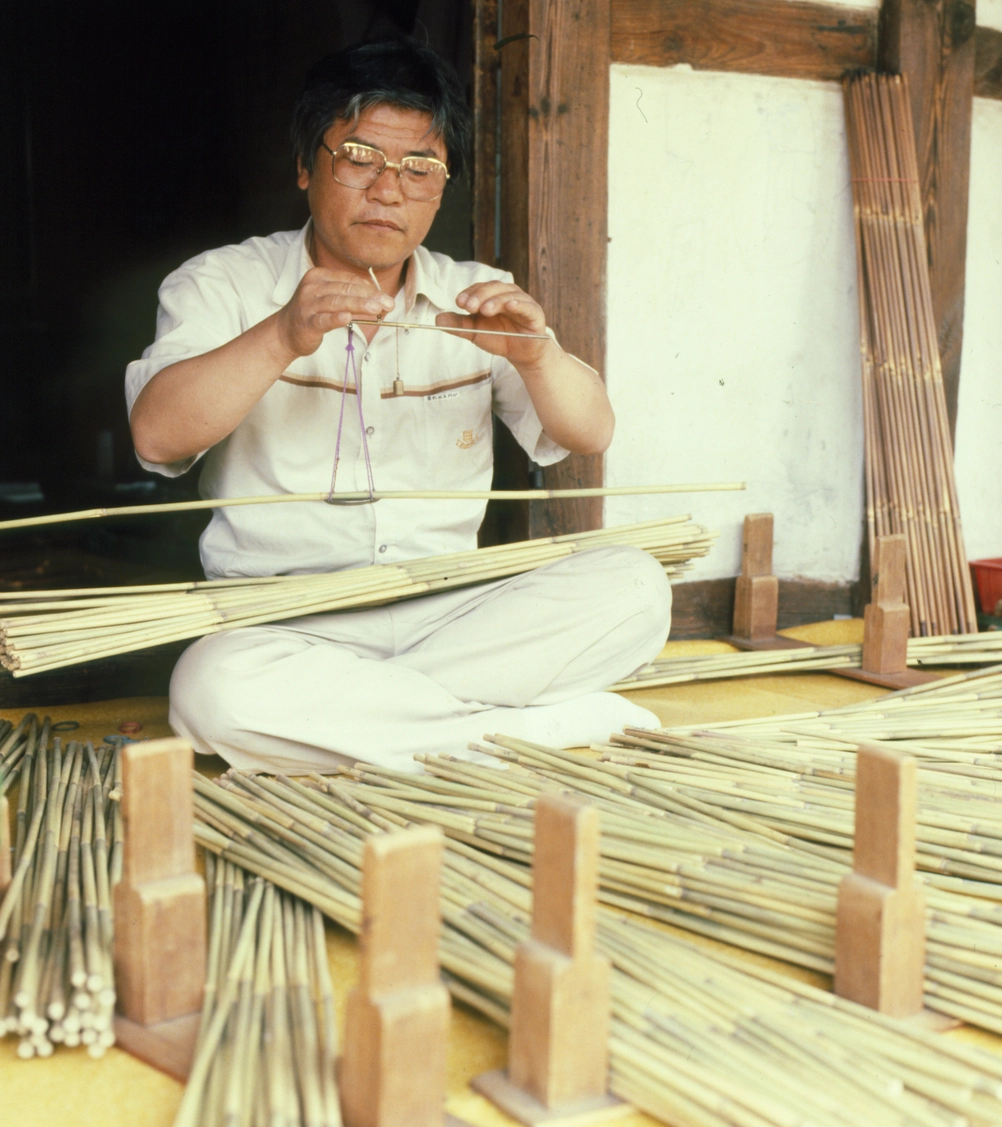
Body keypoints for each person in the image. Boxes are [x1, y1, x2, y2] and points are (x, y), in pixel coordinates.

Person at [125, 35, 669, 774]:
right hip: (286, 627)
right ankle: (528, 735)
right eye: (360, 159)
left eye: (420, 168)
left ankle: (392, 731)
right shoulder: (221, 284)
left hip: (454, 614)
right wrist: (283, 333)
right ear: (305, 166)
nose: (388, 190)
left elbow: (590, 432)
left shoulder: (474, 293)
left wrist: (538, 354)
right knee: (211, 689)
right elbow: (157, 436)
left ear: (442, 187)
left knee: (633, 587)